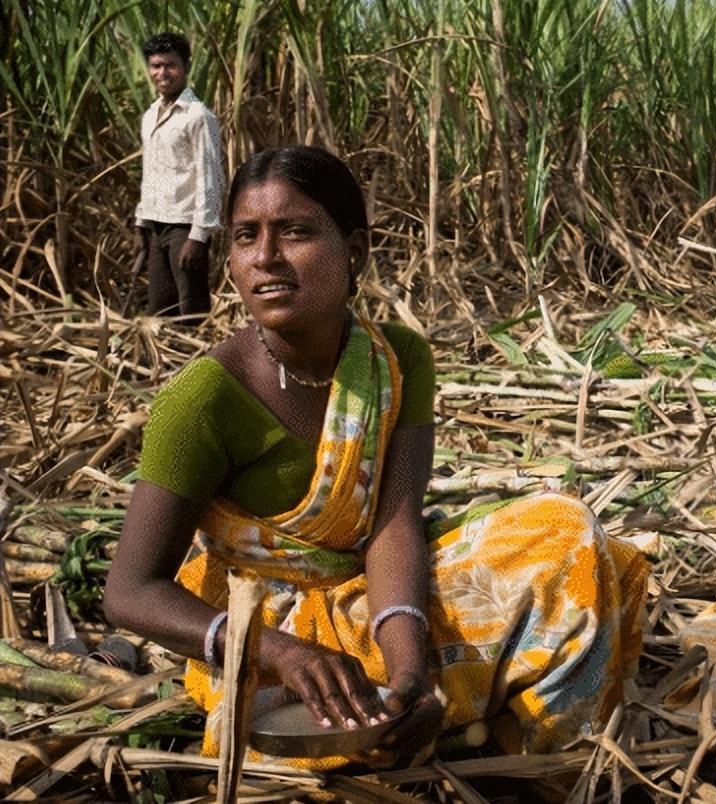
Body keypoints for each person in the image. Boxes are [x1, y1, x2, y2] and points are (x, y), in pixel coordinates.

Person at [104, 146, 649, 770]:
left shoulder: (396, 361)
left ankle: (532, 767)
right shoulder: (200, 399)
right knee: (317, 738)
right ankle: (451, 725)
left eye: (296, 232)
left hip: (384, 596)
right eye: (245, 237)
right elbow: (130, 591)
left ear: (355, 250)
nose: (265, 259)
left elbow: (394, 526)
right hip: (268, 630)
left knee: (568, 536)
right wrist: (277, 652)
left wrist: (410, 667)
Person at [133, 32, 224, 321]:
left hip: (185, 226)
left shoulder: (198, 116)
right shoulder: (150, 116)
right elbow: (152, 172)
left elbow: (211, 177)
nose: (162, 73)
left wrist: (199, 236)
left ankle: (198, 365)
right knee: (160, 311)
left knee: (191, 312)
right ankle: (166, 366)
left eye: (170, 65)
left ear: (185, 66)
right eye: (156, 65)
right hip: (157, 224)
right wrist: (141, 222)